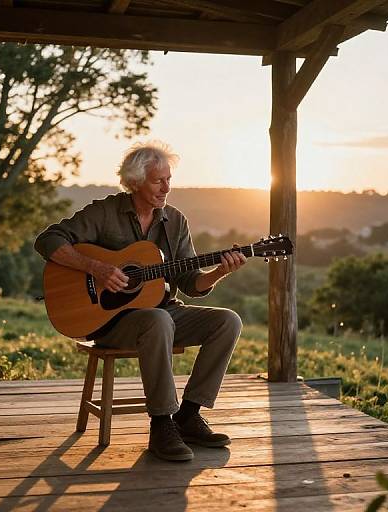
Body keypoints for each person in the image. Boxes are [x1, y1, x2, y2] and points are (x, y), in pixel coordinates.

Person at [35, 141, 246, 461]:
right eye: (157, 181)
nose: (166, 188)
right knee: (157, 320)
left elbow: (189, 282)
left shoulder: (175, 221)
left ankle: (187, 416)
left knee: (228, 321)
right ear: (135, 182)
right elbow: (48, 240)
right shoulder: (105, 212)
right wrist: (97, 268)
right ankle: (162, 425)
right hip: (110, 322)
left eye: (169, 179)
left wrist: (218, 272)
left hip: (164, 311)